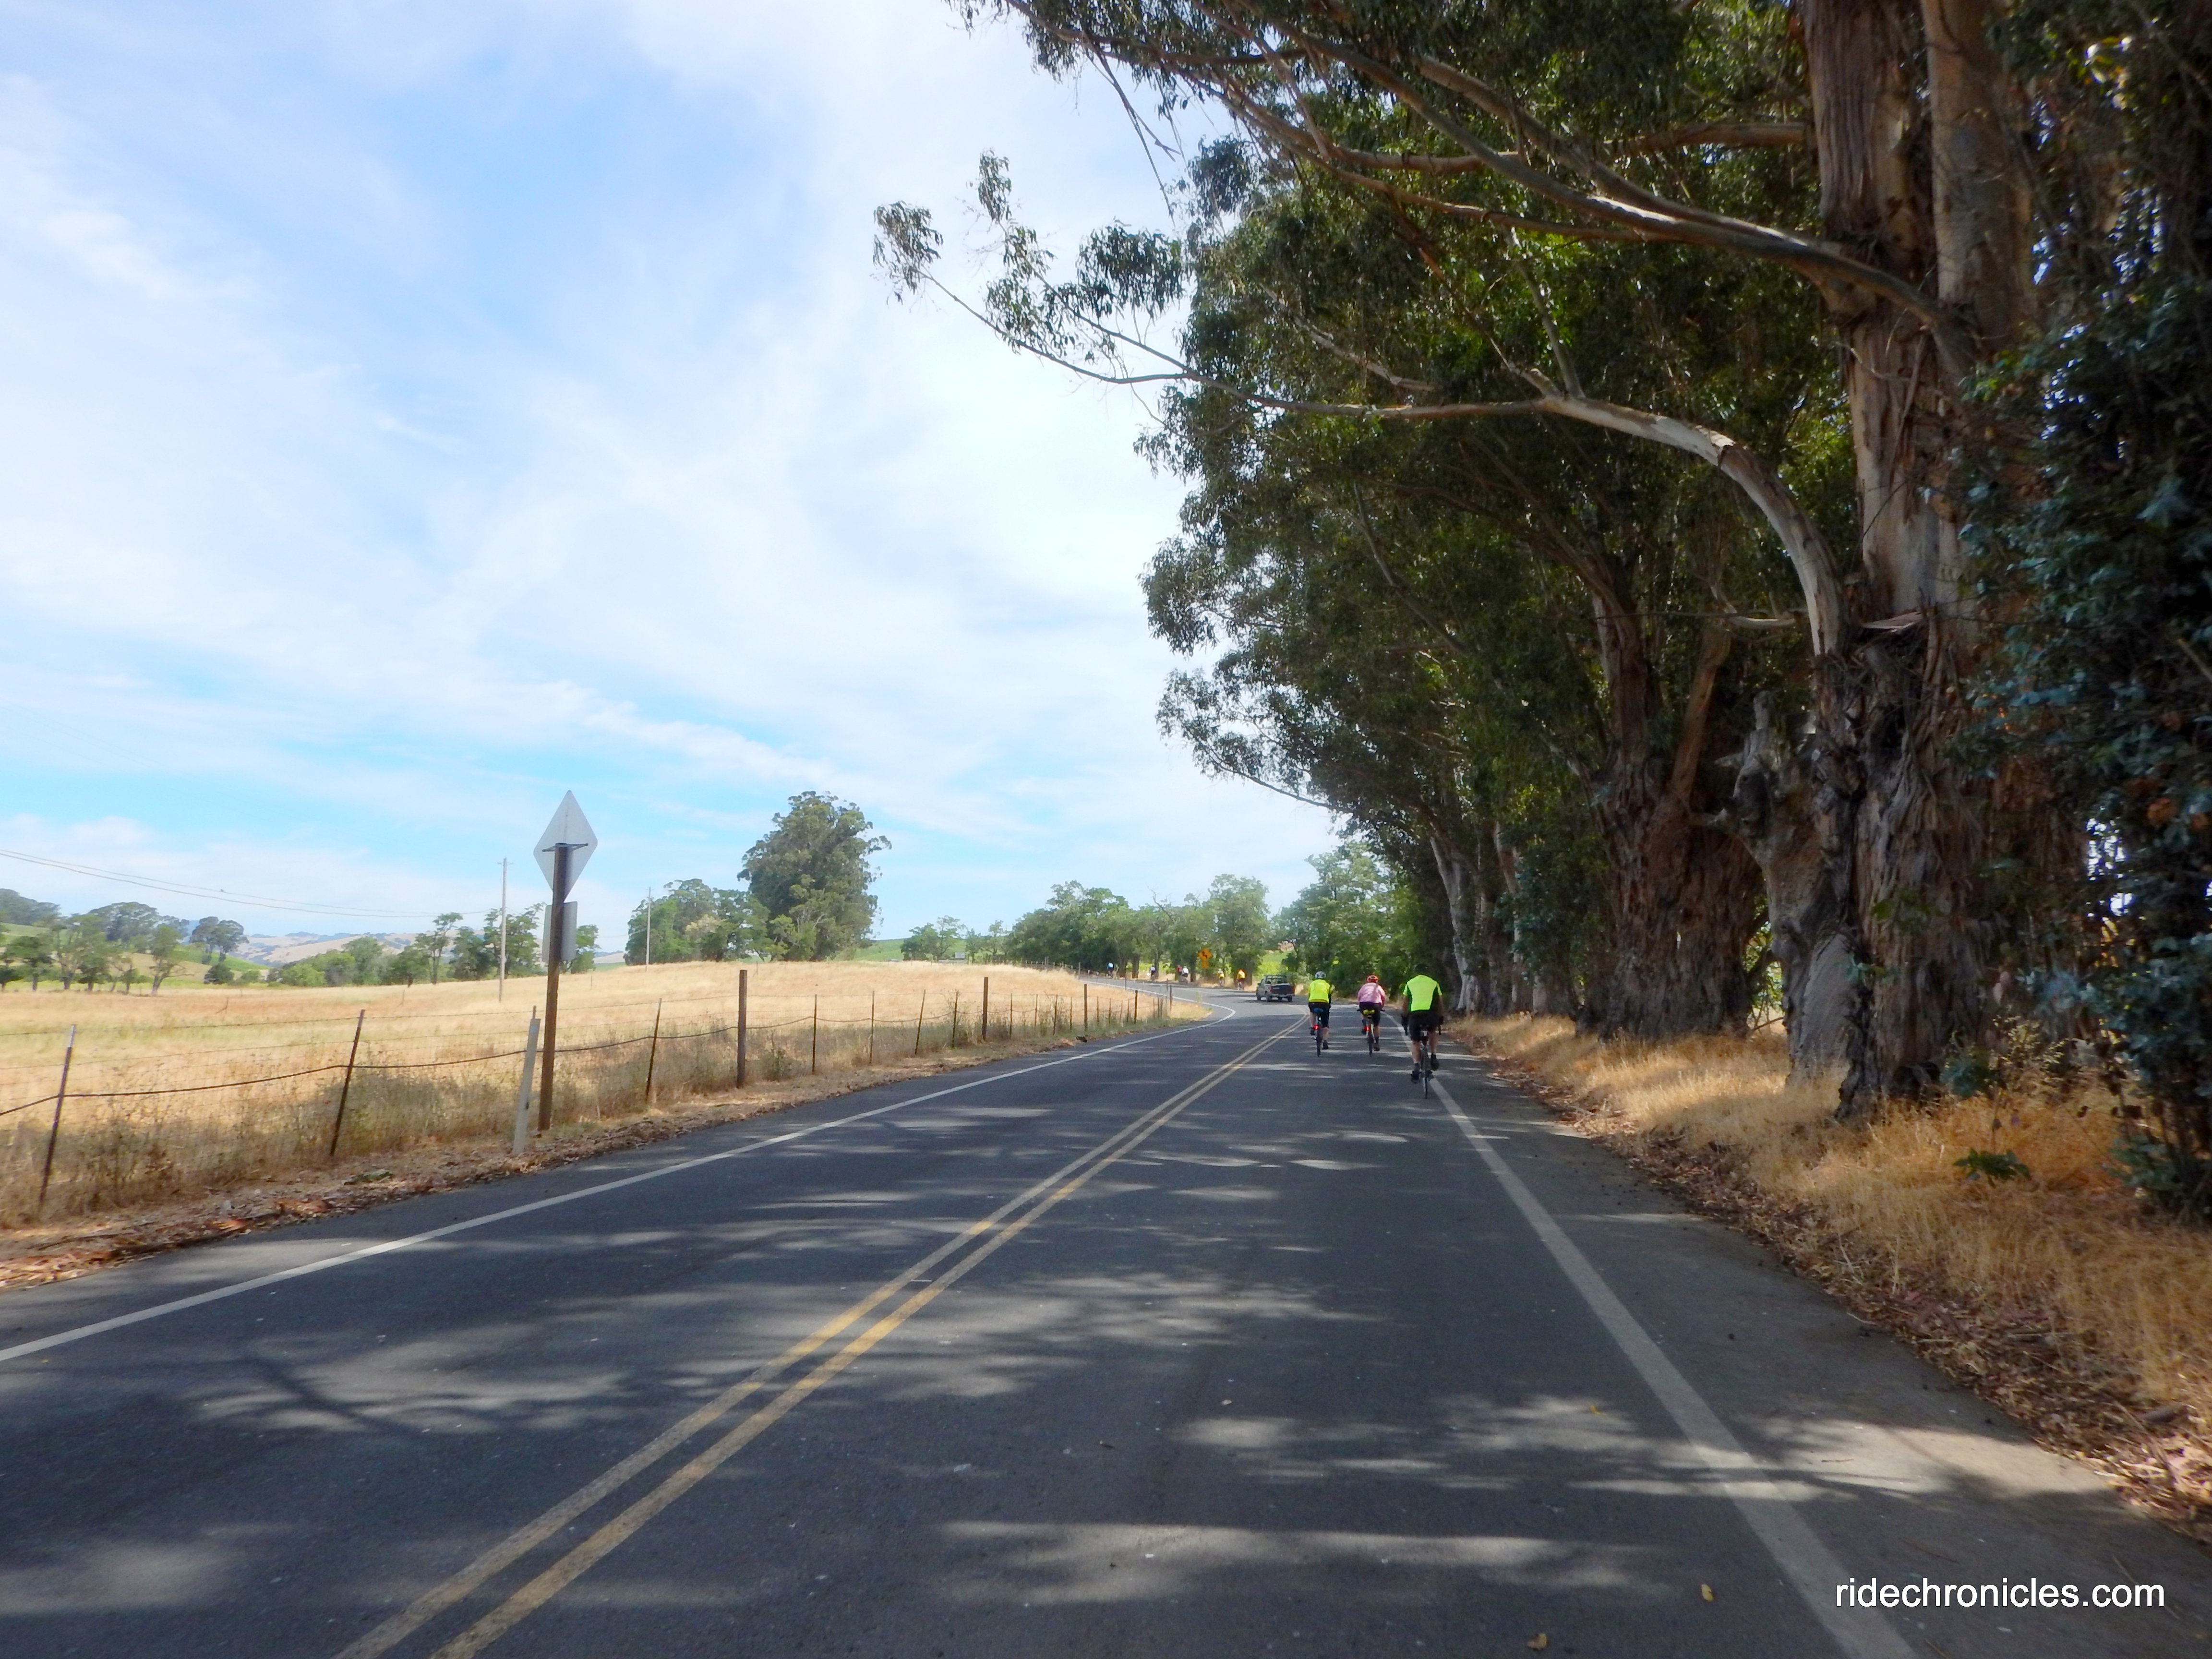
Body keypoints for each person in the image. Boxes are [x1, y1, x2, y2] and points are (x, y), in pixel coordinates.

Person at [1401, 969, 1444, 1079]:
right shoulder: (1434, 983)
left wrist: (1404, 1017)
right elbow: (1440, 1002)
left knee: (1416, 1042)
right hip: (1431, 1015)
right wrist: (1441, 1017)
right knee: (1433, 1033)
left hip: (1415, 1016)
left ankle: (1417, 1065)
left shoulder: (1410, 983)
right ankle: (1434, 1055)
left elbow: (1405, 1003)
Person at [1355, 974, 1387, 1043]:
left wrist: (1360, 1005)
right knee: (1376, 1025)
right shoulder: (1378, 987)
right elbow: (1383, 997)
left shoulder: (1364, 986)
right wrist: (1382, 1006)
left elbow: (1359, 996)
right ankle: (1377, 1043)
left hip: (1364, 1004)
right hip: (1376, 1005)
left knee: (1363, 1013)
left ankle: (1365, 1026)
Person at [1304, 973, 1333, 1047]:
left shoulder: (1313, 984)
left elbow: (1310, 994)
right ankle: (1325, 1041)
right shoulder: (1327, 985)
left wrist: (1310, 1002)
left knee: (1312, 1012)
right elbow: (1329, 996)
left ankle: (1312, 1027)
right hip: (1324, 1003)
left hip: (1313, 1002)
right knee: (1325, 1023)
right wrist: (1329, 1004)